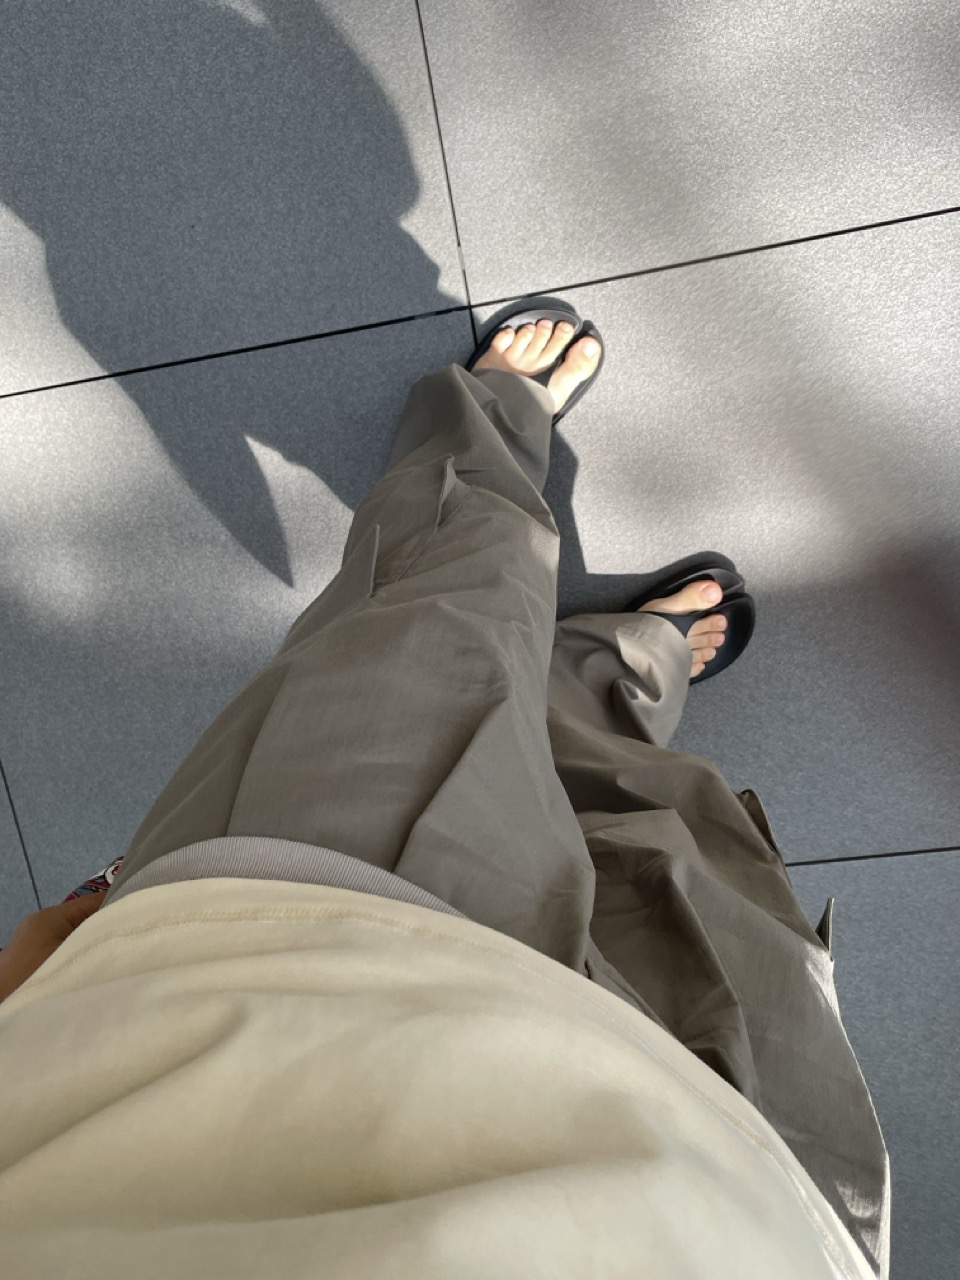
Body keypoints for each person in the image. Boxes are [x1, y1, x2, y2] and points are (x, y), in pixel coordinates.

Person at [0, 306, 890, 1279]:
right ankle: (602, 673)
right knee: (660, 847)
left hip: (267, 992)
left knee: (439, 617)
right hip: (729, 1181)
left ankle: (494, 426)